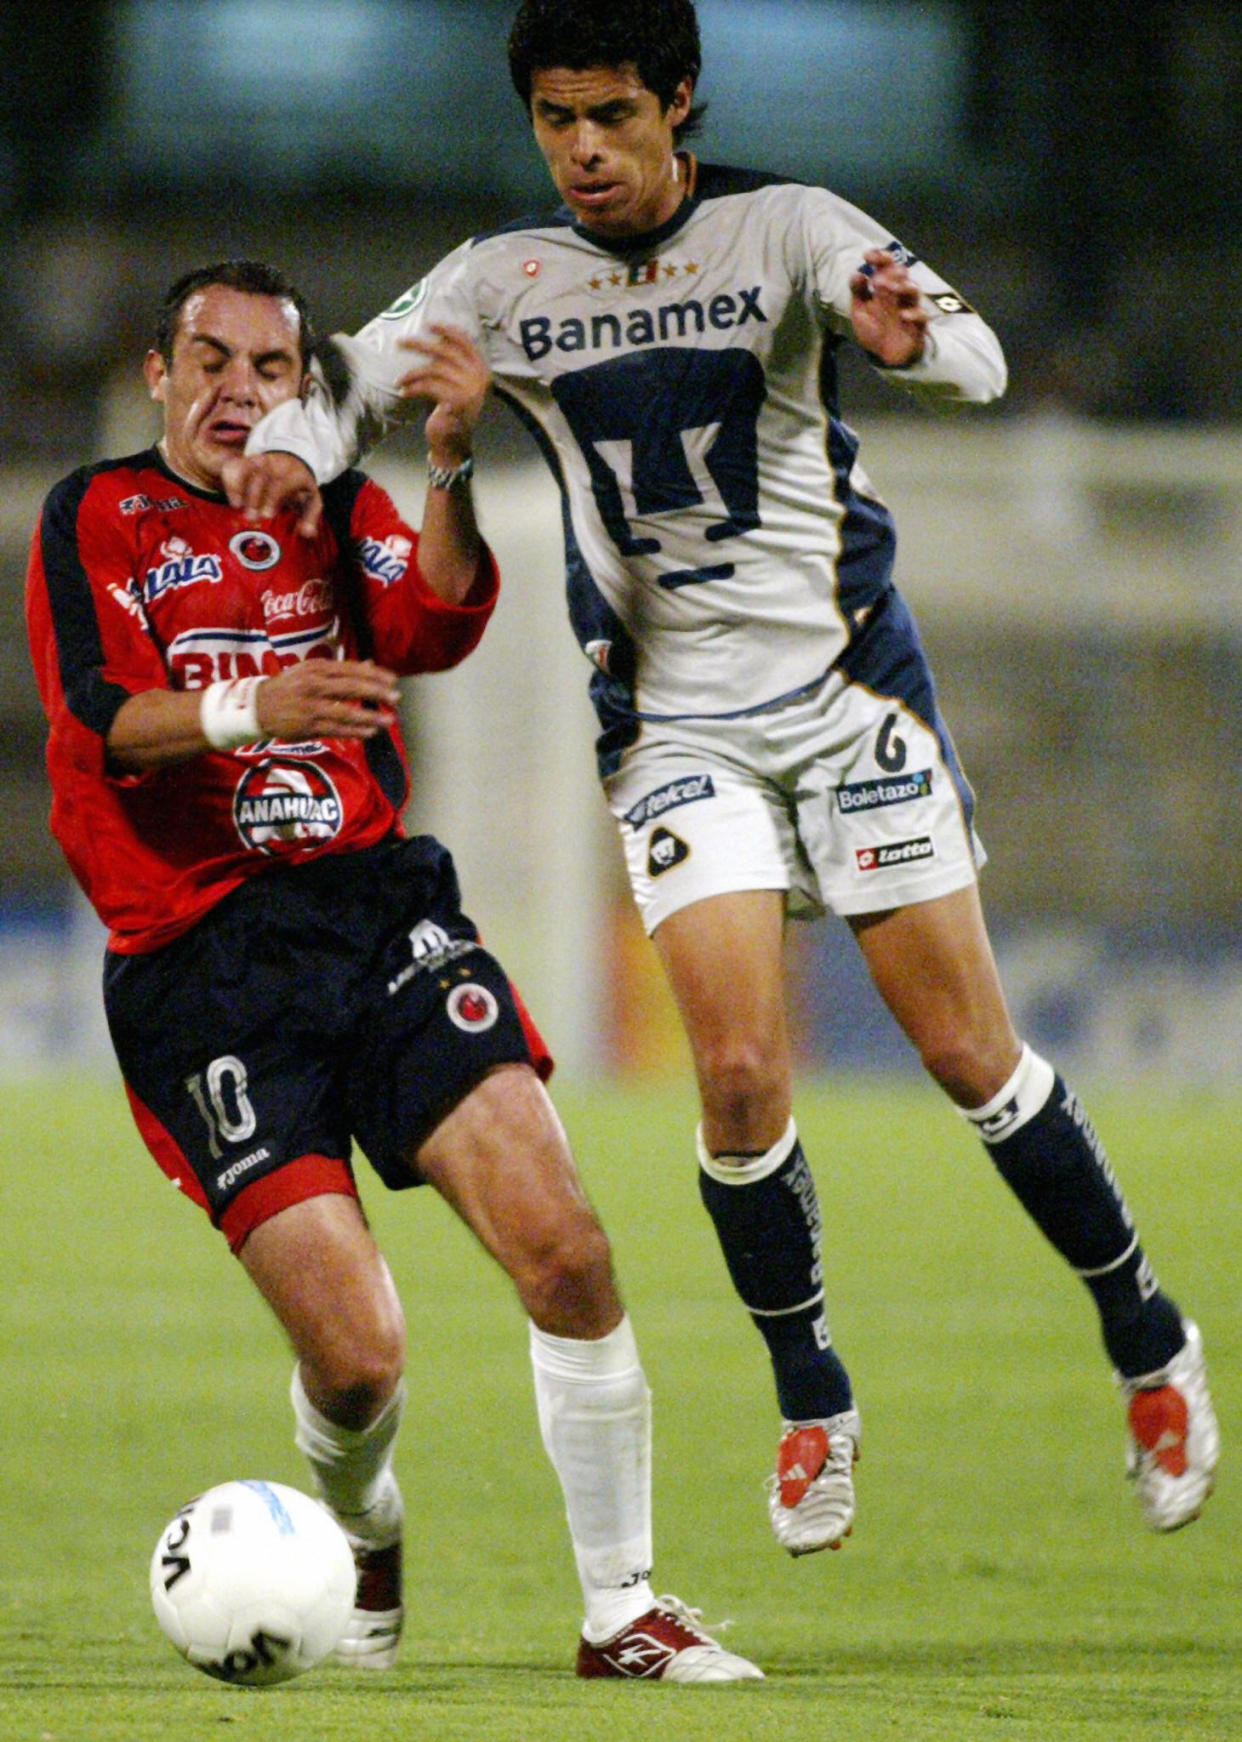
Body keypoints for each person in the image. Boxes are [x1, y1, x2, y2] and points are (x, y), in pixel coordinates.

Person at [225, 0, 1218, 1553]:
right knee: (742, 1081)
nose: (583, 151)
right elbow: (345, 379)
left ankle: (1148, 1338)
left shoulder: (790, 229)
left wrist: (916, 345)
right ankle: (811, 1392)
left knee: (968, 1055)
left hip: (844, 698)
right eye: (555, 120)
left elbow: (966, 346)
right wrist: (287, 443)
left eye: (611, 115)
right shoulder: (502, 279)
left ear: (678, 102)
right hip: (675, 730)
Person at [25, 258, 765, 1684]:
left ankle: (624, 1608)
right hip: (201, 964)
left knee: (563, 1240)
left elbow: (436, 618)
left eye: (273, 366)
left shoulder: (336, 506)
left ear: (304, 387)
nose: (242, 388)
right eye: (213, 359)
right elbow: (101, 715)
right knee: (359, 1358)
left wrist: (443, 464)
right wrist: (257, 704)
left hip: (374, 912)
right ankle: (366, 1528)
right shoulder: (99, 516)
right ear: (157, 375)